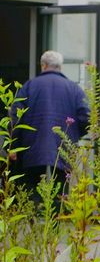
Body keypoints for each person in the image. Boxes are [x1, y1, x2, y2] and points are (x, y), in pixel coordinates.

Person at [9, 51, 89, 200]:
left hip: (31, 148)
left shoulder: (29, 86)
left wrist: (14, 145)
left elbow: (16, 117)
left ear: (43, 65)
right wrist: (72, 136)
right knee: (60, 190)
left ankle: (32, 221)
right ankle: (56, 221)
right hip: (63, 148)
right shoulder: (74, 89)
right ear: (60, 67)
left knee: (30, 189)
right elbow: (87, 117)